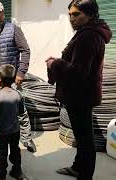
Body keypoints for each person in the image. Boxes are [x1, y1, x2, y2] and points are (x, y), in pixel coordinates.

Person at [46, 1, 112, 180]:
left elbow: (78, 71)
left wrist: (55, 63)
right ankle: (78, 168)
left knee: (85, 140)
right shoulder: (87, 33)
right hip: (83, 95)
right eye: (70, 14)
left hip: (80, 96)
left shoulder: (88, 36)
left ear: (90, 15)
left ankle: (85, 175)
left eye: (76, 15)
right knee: (82, 137)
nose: (71, 19)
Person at [0, 1, 36, 153]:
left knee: (20, 111)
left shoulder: (14, 30)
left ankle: (26, 139)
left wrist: (21, 73)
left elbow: (26, 50)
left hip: (12, 81)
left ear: (3, 13)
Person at [0, 64, 28, 180]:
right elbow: (21, 112)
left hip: (2, 131)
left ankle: (1, 175)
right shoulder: (18, 94)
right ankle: (17, 171)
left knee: (2, 153)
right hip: (15, 130)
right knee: (15, 150)